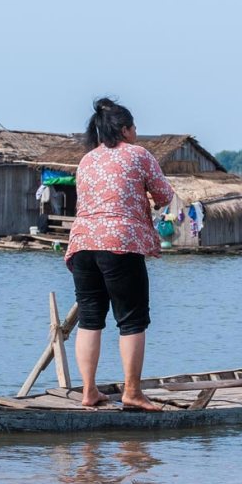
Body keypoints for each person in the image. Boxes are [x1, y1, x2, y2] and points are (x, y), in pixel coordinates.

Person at [65, 97, 174, 411]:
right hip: (120, 243)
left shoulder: (86, 160)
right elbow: (164, 195)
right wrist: (150, 199)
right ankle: (133, 392)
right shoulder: (138, 154)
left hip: (82, 243)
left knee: (90, 320)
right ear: (125, 130)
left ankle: (88, 392)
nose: (137, 131)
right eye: (134, 126)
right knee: (132, 320)